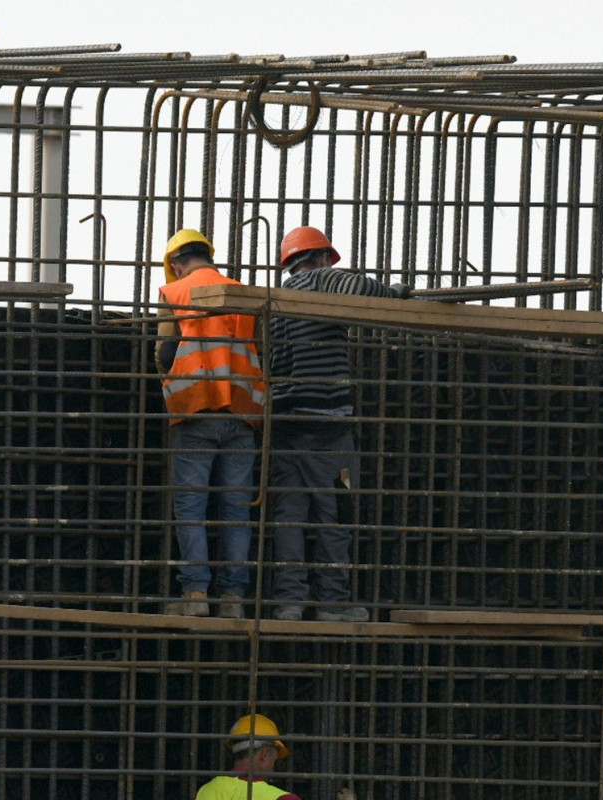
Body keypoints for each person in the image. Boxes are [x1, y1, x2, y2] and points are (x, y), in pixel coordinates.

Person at [266, 227, 410, 622]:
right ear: (323, 256)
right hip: (326, 425)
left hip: (283, 422)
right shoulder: (321, 279)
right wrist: (398, 292)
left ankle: (289, 603)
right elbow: (364, 289)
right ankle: (332, 604)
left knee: (290, 517)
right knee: (335, 514)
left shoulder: (276, 299)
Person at [156, 229, 267, 619]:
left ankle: (196, 595)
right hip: (242, 412)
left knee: (191, 507)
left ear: (175, 263)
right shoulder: (243, 292)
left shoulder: (175, 294)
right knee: (237, 509)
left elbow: (165, 352)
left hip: (195, 410)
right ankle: (233, 601)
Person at [194, 714, 303, 800]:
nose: (273, 768)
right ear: (264, 754)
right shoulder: (283, 798)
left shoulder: (205, 791)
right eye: (274, 759)